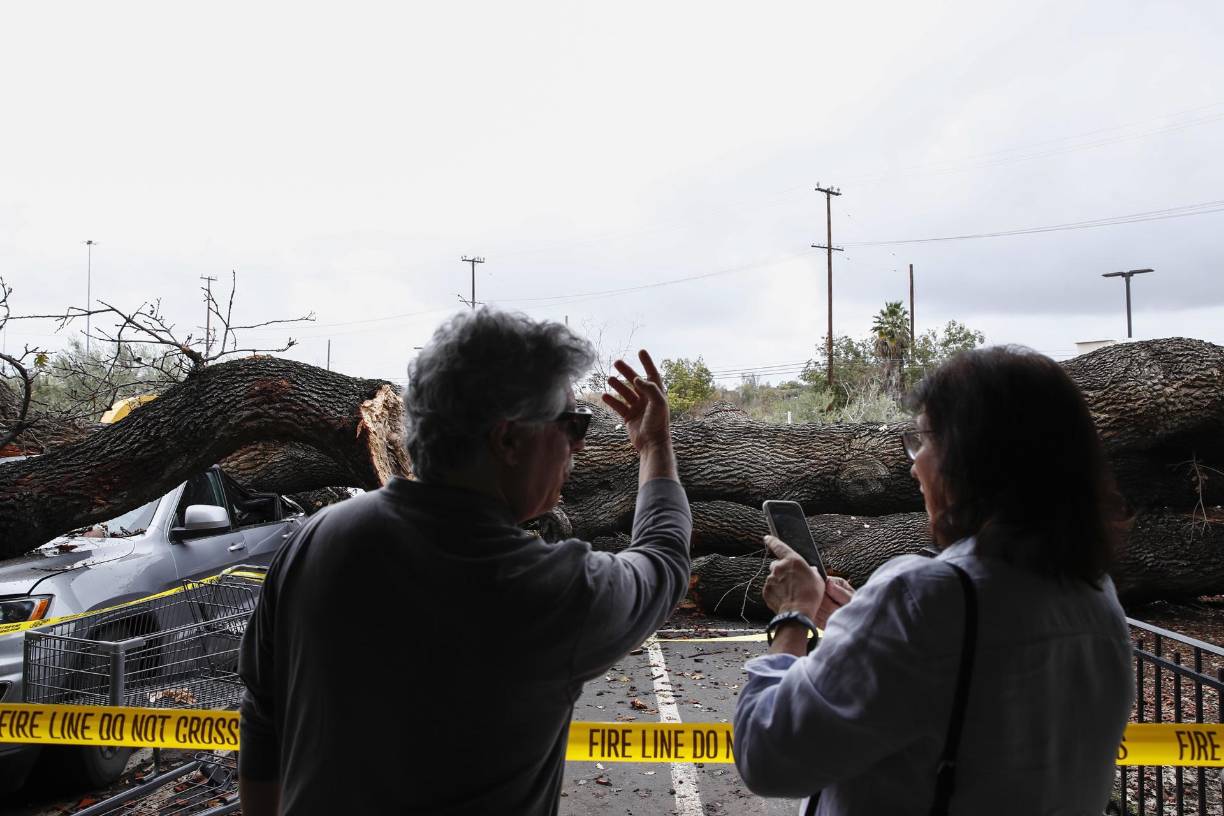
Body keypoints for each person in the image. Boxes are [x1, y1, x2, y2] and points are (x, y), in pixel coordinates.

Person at [237, 309, 691, 816]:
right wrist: (654, 445)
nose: (578, 446)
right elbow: (665, 559)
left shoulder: (316, 541)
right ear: (508, 440)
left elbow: (263, 718)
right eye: (573, 424)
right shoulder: (546, 590)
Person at [733, 346, 1135, 815]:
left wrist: (793, 615)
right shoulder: (1096, 595)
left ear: (968, 457)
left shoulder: (922, 597)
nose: (913, 464)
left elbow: (766, 756)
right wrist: (863, 629)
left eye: (923, 441)